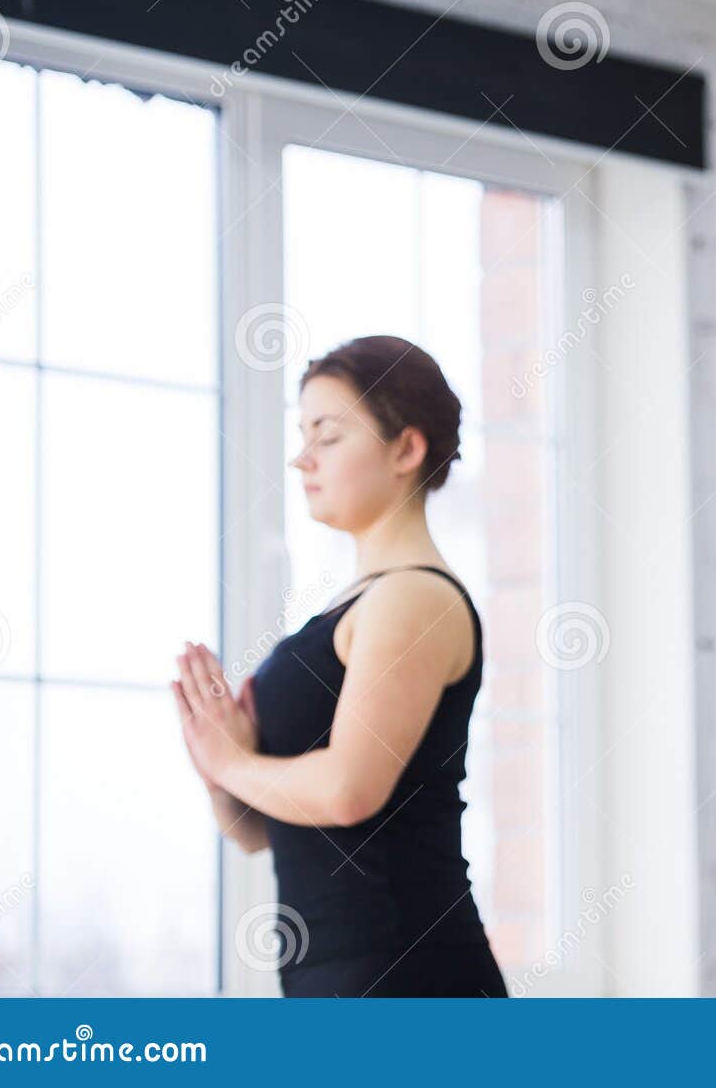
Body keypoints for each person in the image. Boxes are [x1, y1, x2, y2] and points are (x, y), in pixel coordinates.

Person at [171, 335, 506, 997]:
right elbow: (265, 832)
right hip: (334, 980)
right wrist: (219, 773)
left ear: (406, 449)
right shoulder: (351, 606)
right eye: (303, 435)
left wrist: (231, 762)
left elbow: (350, 790)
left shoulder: (414, 597)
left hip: (411, 979)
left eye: (327, 435)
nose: (301, 459)